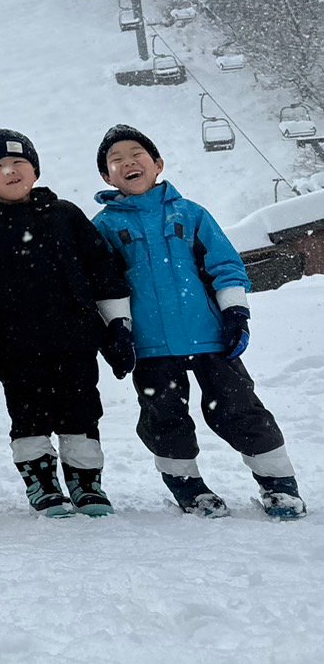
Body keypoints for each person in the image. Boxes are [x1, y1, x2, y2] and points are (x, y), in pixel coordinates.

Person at [93, 124, 307, 519]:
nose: (128, 162)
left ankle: (279, 485)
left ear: (158, 164)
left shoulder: (190, 214)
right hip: (151, 346)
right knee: (165, 418)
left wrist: (235, 313)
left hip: (209, 337)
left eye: (137, 154)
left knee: (240, 408)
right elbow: (105, 284)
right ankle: (189, 489)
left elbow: (226, 265)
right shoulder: (104, 226)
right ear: (108, 177)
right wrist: (118, 330)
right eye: (116, 160)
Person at [0, 129, 132, 517]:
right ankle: (42, 484)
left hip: (76, 338)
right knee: (28, 414)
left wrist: (117, 325)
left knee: (82, 411)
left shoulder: (64, 214)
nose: (10, 171)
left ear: (35, 170)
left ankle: (86, 483)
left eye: (18, 162)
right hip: (13, 343)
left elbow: (102, 269)